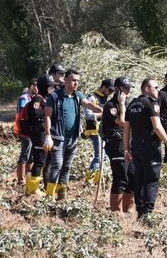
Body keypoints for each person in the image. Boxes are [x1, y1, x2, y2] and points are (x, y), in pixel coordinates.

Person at [43, 69, 103, 199]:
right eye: (73, 80)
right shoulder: (54, 96)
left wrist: (104, 110)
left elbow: (89, 105)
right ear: (65, 80)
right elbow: (47, 116)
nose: (76, 83)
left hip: (73, 138)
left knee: (66, 167)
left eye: (78, 81)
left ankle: (61, 196)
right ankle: (49, 196)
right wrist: (47, 135)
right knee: (57, 165)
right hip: (58, 137)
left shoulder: (77, 95)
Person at [123, 78, 167, 219]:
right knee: (151, 179)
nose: (158, 90)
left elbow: (126, 130)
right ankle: (147, 212)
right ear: (146, 89)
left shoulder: (132, 104)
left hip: (136, 147)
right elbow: (157, 126)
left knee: (139, 179)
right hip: (150, 148)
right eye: (155, 87)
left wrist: (127, 149)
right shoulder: (151, 103)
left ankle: (140, 211)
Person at [101, 77, 135, 213]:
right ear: (118, 89)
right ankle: (116, 211)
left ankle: (128, 209)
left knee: (133, 175)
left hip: (127, 144)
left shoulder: (128, 105)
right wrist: (121, 104)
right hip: (115, 144)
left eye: (129, 88)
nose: (128, 91)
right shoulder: (111, 106)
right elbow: (122, 121)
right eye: (126, 88)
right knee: (121, 176)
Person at [25, 75, 58, 196]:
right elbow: (35, 114)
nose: (53, 88)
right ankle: (33, 189)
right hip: (39, 133)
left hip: (44, 133)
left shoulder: (46, 99)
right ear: (45, 86)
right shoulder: (38, 100)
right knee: (39, 160)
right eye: (51, 86)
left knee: (47, 160)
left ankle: (40, 185)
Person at [85, 78, 115, 182]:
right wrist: (105, 114)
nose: (111, 93)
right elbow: (88, 115)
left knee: (105, 156)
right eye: (110, 90)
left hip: (104, 131)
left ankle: (97, 178)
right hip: (94, 130)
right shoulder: (91, 97)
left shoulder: (106, 99)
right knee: (99, 156)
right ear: (103, 87)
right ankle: (90, 179)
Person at [14, 79, 37, 186]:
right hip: (24, 131)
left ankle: (28, 178)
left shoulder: (32, 98)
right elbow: (22, 113)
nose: (37, 89)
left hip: (32, 131)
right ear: (32, 86)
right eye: (36, 86)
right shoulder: (24, 98)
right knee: (25, 154)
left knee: (31, 155)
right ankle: (21, 180)